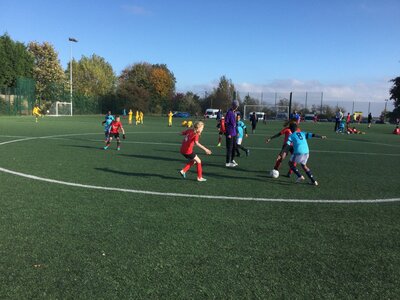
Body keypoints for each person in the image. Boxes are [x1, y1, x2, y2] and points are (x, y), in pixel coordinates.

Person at [225, 100, 239, 167]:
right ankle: (227, 162)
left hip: (234, 133)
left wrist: (237, 132)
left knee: (234, 147)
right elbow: (226, 123)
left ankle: (232, 160)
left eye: (237, 106)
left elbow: (235, 123)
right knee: (229, 148)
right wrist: (229, 133)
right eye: (235, 106)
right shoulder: (229, 113)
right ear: (232, 105)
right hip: (230, 133)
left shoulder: (234, 113)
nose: (236, 107)